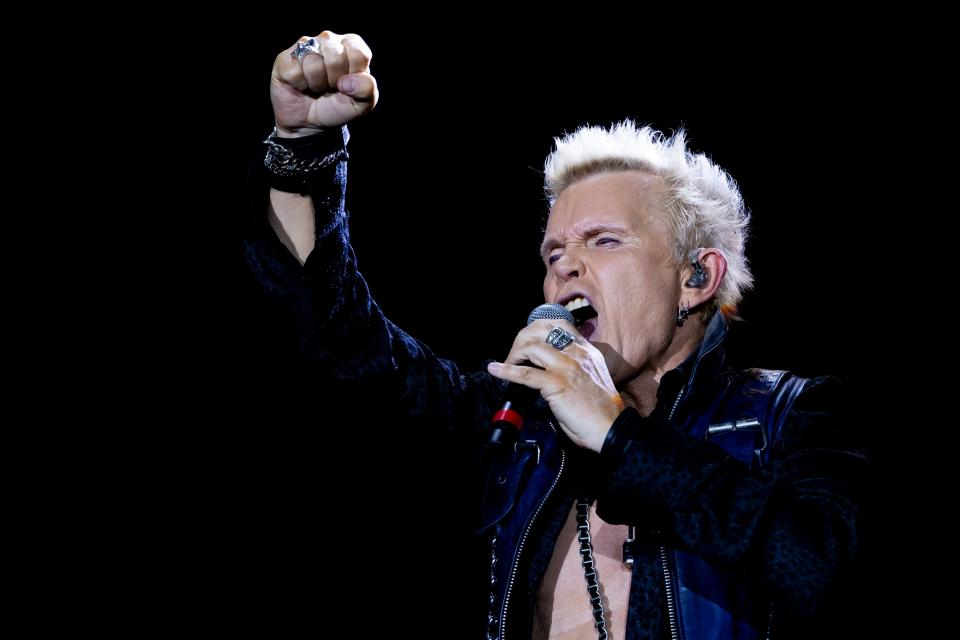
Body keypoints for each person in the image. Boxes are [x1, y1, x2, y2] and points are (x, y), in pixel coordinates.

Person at [241, 30, 867, 640]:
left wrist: (616, 433)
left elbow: (822, 567)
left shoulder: (795, 415)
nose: (564, 264)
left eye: (605, 240)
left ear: (697, 277)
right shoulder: (516, 428)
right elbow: (340, 344)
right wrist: (303, 148)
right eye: (552, 252)